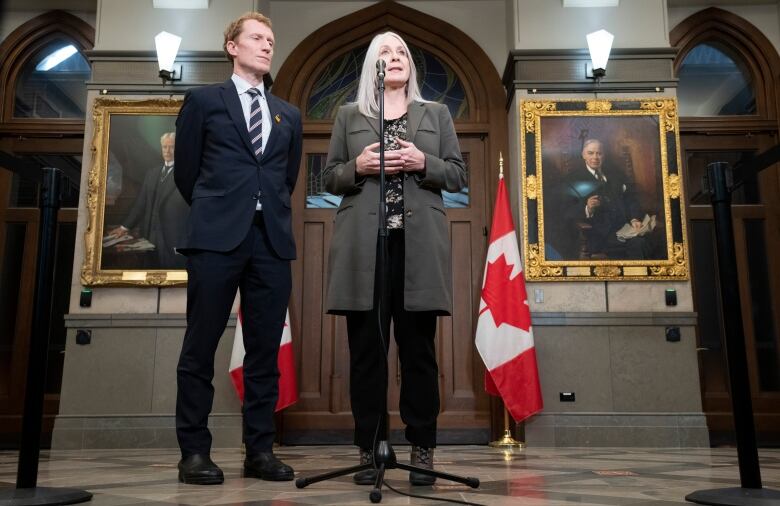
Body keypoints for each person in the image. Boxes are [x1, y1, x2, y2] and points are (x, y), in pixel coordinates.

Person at [323, 32, 466, 486]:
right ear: (373, 65)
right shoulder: (350, 116)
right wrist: (357, 169)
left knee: (419, 353)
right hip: (365, 248)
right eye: (385, 52)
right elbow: (329, 176)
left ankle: (421, 449)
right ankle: (370, 449)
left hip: (416, 246)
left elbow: (458, 174)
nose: (395, 57)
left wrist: (424, 161)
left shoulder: (436, 113)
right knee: (367, 353)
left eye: (401, 51)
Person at [173, 11, 302, 485]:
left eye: (271, 39)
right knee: (200, 347)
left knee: (264, 352)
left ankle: (260, 450)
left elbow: (285, 177)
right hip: (215, 239)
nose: (267, 46)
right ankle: (193, 452)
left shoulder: (289, 113)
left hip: (271, 242)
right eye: (256, 38)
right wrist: (222, 208)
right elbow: (187, 173)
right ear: (232, 46)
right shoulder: (205, 101)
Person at [107, 132, 188, 269]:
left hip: (173, 239)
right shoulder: (152, 173)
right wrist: (124, 227)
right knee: (150, 271)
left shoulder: (186, 174)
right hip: (150, 236)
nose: (167, 151)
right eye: (164, 147)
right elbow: (140, 204)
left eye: (172, 147)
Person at [561, 138, 651, 259]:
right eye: (590, 153)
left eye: (599, 153)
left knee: (644, 243)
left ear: (604, 155)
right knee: (636, 246)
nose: (595, 157)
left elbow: (630, 198)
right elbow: (566, 210)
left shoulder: (615, 174)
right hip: (597, 234)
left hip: (625, 229)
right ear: (583, 155)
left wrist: (634, 218)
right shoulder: (573, 178)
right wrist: (587, 208)